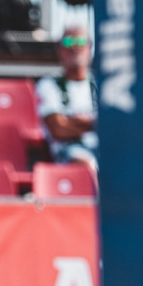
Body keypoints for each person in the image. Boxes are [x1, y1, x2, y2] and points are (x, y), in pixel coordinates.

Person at [36, 25, 98, 178]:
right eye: (69, 41)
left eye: (81, 41)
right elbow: (58, 130)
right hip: (68, 153)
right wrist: (95, 124)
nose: (75, 47)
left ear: (90, 46)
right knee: (85, 164)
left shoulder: (100, 84)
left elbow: (118, 126)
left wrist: (75, 122)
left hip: (104, 150)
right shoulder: (49, 85)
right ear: (60, 48)